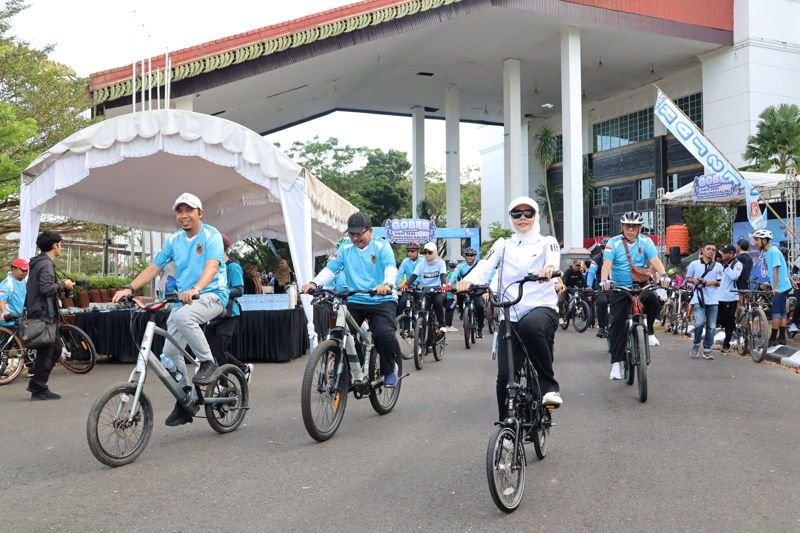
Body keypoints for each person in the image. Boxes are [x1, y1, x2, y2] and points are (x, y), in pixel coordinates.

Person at [113, 193, 229, 426]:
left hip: (212, 295)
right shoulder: (174, 240)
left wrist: (196, 288)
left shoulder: (211, 235)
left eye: (189, 210)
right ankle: (186, 398)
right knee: (169, 354)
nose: (184, 215)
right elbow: (153, 267)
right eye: (179, 211)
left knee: (185, 316)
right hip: (184, 301)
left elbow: (212, 267)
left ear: (200, 213)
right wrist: (130, 288)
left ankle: (208, 363)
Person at [457, 196, 563, 414]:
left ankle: (549, 388)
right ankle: (506, 424)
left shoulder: (547, 242)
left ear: (535, 216)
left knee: (530, 326)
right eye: (516, 213)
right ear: (511, 217)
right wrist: (469, 281)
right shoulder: (503, 245)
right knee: (505, 376)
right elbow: (485, 266)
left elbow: (553, 259)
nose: (522, 218)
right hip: (510, 312)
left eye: (528, 213)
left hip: (541, 308)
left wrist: (549, 270)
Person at [302, 212, 399, 386]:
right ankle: (348, 374)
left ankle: (389, 369)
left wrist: (387, 284)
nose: (355, 238)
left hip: (382, 299)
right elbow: (331, 269)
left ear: (370, 231)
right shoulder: (345, 249)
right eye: (352, 234)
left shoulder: (382, 246)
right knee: (341, 334)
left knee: (382, 333)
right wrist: (314, 283)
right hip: (356, 299)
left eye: (359, 233)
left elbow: (390, 268)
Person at [600, 211, 670, 380]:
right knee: (617, 324)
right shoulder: (613, 243)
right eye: (628, 227)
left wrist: (664, 275)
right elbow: (607, 264)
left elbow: (655, 260)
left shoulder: (646, 241)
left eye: (634, 227)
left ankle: (650, 331)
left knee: (653, 300)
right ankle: (616, 364)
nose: (631, 230)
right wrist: (604, 280)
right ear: (622, 227)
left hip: (641, 284)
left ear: (640, 228)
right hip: (620, 287)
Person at [25, 231, 75, 400]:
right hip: (44, 313)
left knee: (53, 348)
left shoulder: (38, 263)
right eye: (61, 244)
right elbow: (46, 288)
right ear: (55, 245)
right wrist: (63, 284)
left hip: (41, 310)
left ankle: (37, 385)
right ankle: (38, 388)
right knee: (49, 349)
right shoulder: (45, 264)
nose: (62, 247)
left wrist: (61, 288)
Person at [204, 234, 253, 382]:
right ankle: (243, 368)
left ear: (223, 248)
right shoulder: (211, 268)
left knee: (219, 347)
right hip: (212, 313)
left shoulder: (233, 266)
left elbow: (239, 290)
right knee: (212, 349)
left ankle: (223, 383)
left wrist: (220, 294)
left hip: (229, 314)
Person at [752, 229, 792, 346]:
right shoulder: (769, 252)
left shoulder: (773, 251)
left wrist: (775, 287)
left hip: (780, 287)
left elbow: (776, 270)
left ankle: (773, 339)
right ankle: (782, 338)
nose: (755, 243)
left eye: (757, 240)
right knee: (782, 312)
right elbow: (781, 269)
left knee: (776, 313)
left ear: (764, 240)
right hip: (782, 285)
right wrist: (770, 284)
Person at [685, 242, 724, 359]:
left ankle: (707, 349)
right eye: (708, 249)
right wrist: (694, 281)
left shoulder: (718, 266)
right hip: (698, 298)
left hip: (713, 299)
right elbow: (687, 279)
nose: (711, 251)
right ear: (702, 250)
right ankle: (696, 343)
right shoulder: (694, 264)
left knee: (711, 326)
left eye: (713, 250)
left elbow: (720, 282)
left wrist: (711, 282)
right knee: (699, 323)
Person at [403, 242, 449, 334]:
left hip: (438, 290)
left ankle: (442, 325)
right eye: (425, 252)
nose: (427, 255)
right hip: (425, 290)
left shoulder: (440, 263)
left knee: (437, 303)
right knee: (421, 309)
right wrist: (406, 285)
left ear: (435, 252)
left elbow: (443, 276)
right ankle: (421, 328)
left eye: (430, 252)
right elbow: (414, 276)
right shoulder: (421, 264)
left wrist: (444, 286)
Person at [717, 244, 743, 353]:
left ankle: (726, 343)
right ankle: (736, 329)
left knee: (728, 322)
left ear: (731, 254)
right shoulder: (721, 264)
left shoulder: (737, 264)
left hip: (730, 297)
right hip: (720, 297)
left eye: (724, 253)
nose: (722, 255)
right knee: (720, 320)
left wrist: (727, 267)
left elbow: (735, 276)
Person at [455, 247, 486, 337]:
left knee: (480, 306)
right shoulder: (460, 266)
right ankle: (462, 311)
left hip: (477, 288)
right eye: (467, 255)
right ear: (465, 256)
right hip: (465, 288)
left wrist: (487, 285)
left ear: (475, 256)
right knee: (459, 294)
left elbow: (487, 275)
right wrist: (449, 284)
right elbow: (454, 275)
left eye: (471, 255)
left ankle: (480, 327)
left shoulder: (479, 265)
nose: (469, 257)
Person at [587, 241, 609, 337]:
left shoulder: (617, 257)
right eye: (604, 248)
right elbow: (591, 273)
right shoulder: (596, 259)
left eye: (608, 248)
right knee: (602, 302)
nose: (606, 250)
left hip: (615, 283)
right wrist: (589, 286)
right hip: (601, 284)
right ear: (601, 249)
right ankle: (602, 328)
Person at [395, 241, 421, 316]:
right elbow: (399, 275)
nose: (410, 253)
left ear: (418, 251)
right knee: (402, 304)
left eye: (412, 251)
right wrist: (394, 286)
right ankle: (404, 322)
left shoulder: (423, 261)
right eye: (408, 251)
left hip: (421, 287)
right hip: (409, 286)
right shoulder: (405, 262)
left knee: (422, 307)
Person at [0, 258, 29, 326]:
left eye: (26, 270)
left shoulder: (24, 281)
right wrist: (4, 312)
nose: (25, 272)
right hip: (8, 321)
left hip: (19, 319)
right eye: (23, 270)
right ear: (13, 269)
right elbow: (1, 300)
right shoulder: (7, 283)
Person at [559, 259, 586, 325]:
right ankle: (560, 317)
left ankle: (578, 308)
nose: (578, 267)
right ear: (573, 265)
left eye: (579, 265)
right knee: (561, 301)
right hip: (565, 287)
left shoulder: (579, 272)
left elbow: (583, 281)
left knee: (578, 295)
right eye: (576, 265)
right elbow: (564, 280)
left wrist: (585, 287)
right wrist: (564, 286)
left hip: (572, 288)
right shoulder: (568, 271)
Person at [445, 259, 459, 330]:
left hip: (446, 295)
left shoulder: (447, 273)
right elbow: (451, 285)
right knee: (451, 310)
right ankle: (449, 325)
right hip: (451, 295)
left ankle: (447, 325)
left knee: (447, 310)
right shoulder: (453, 274)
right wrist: (454, 294)